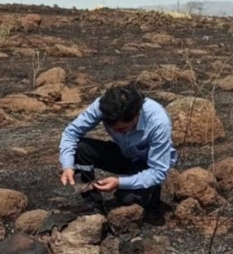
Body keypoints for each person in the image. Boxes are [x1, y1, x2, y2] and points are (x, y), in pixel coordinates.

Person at [58, 84, 177, 218]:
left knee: (128, 199)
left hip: (147, 164)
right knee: (81, 149)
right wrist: (67, 165)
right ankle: (93, 205)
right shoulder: (103, 106)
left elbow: (158, 171)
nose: (115, 132)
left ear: (136, 115)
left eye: (122, 129)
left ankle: (151, 197)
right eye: (111, 128)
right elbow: (71, 133)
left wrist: (119, 182)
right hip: (124, 153)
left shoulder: (158, 122)